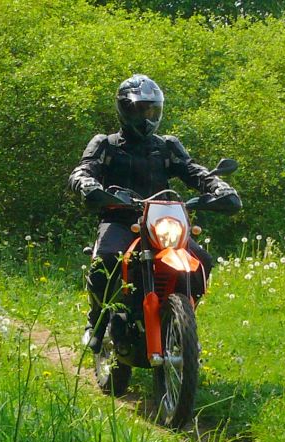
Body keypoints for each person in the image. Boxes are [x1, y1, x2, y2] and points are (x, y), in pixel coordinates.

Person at [68, 74, 240, 352]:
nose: (147, 117)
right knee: (106, 260)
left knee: (203, 260)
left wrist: (217, 186)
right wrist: (87, 184)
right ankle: (96, 321)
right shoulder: (106, 144)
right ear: (125, 109)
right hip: (120, 218)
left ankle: (182, 320)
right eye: (140, 109)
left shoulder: (166, 146)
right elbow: (84, 169)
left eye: (153, 110)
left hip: (160, 220)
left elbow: (193, 170)